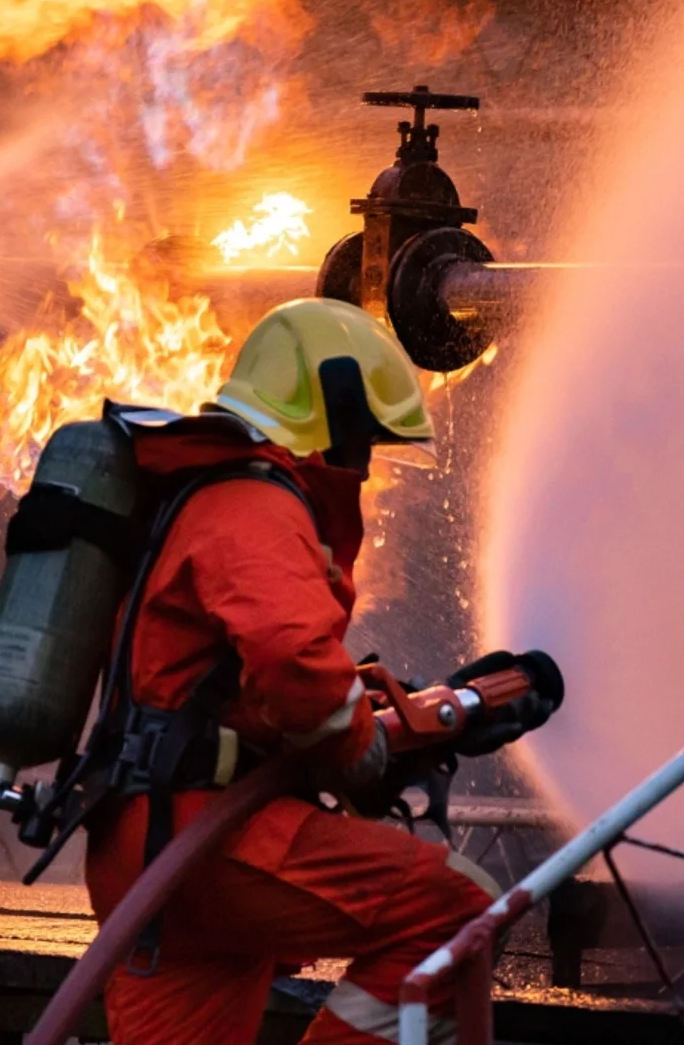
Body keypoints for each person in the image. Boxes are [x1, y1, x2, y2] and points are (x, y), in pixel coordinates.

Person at [83, 298, 503, 1044]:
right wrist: (359, 756)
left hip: (149, 852)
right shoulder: (253, 502)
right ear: (332, 420)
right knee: (457, 908)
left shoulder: (197, 499)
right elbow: (295, 660)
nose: (366, 466)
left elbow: (250, 688)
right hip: (210, 841)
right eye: (366, 441)